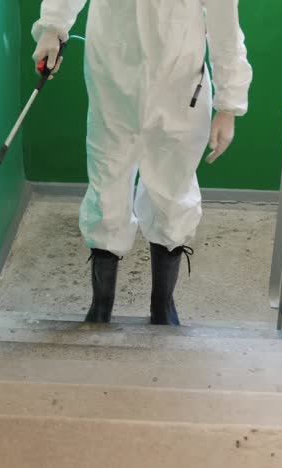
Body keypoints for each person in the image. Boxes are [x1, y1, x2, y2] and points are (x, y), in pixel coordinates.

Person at [32, 0, 252, 325]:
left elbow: (224, 22)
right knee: (107, 187)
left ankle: (162, 305)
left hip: (179, 86)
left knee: (173, 192)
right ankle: (101, 306)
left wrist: (228, 104)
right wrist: (52, 27)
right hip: (113, 76)